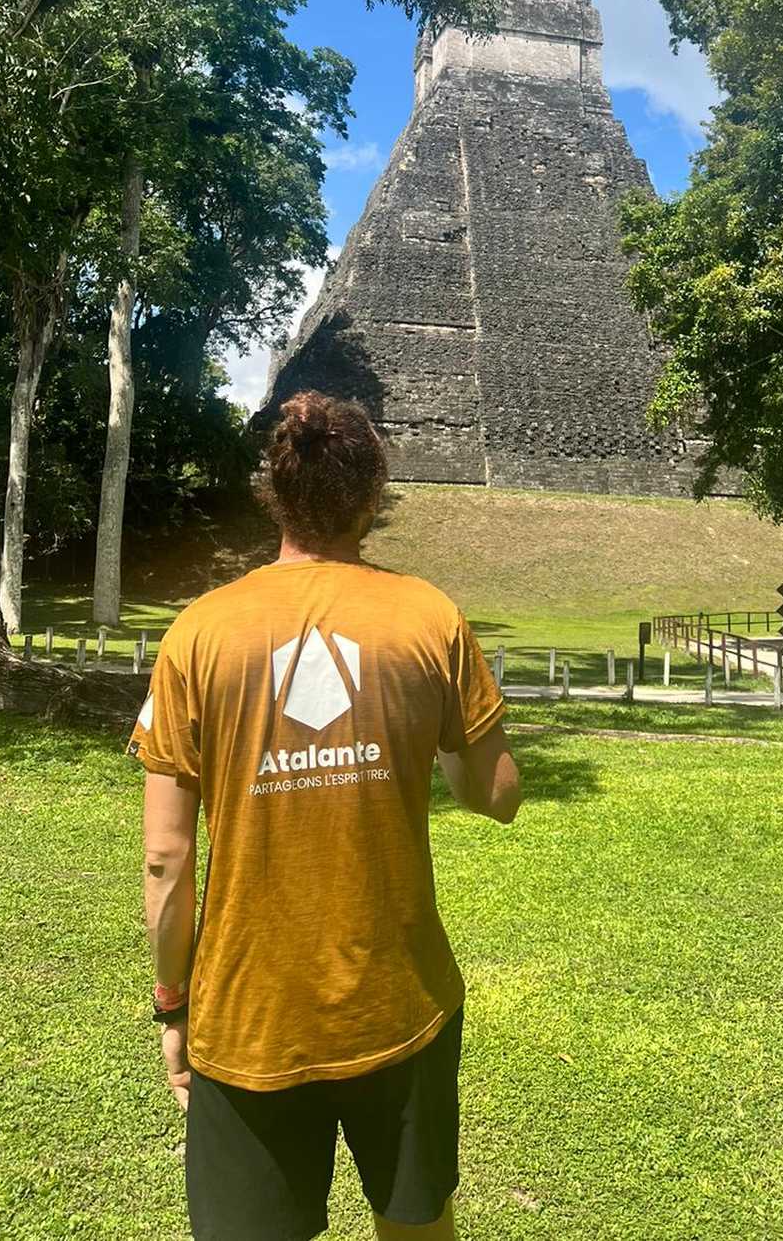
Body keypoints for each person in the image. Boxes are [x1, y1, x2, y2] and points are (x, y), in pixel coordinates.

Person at [128, 391, 521, 1241]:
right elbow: (496, 794)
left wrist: (173, 1004)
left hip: (246, 1017)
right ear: (373, 495)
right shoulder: (429, 619)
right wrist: (450, 730)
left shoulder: (197, 634)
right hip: (400, 1001)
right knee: (417, 1223)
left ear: (273, 490)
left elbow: (166, 860)